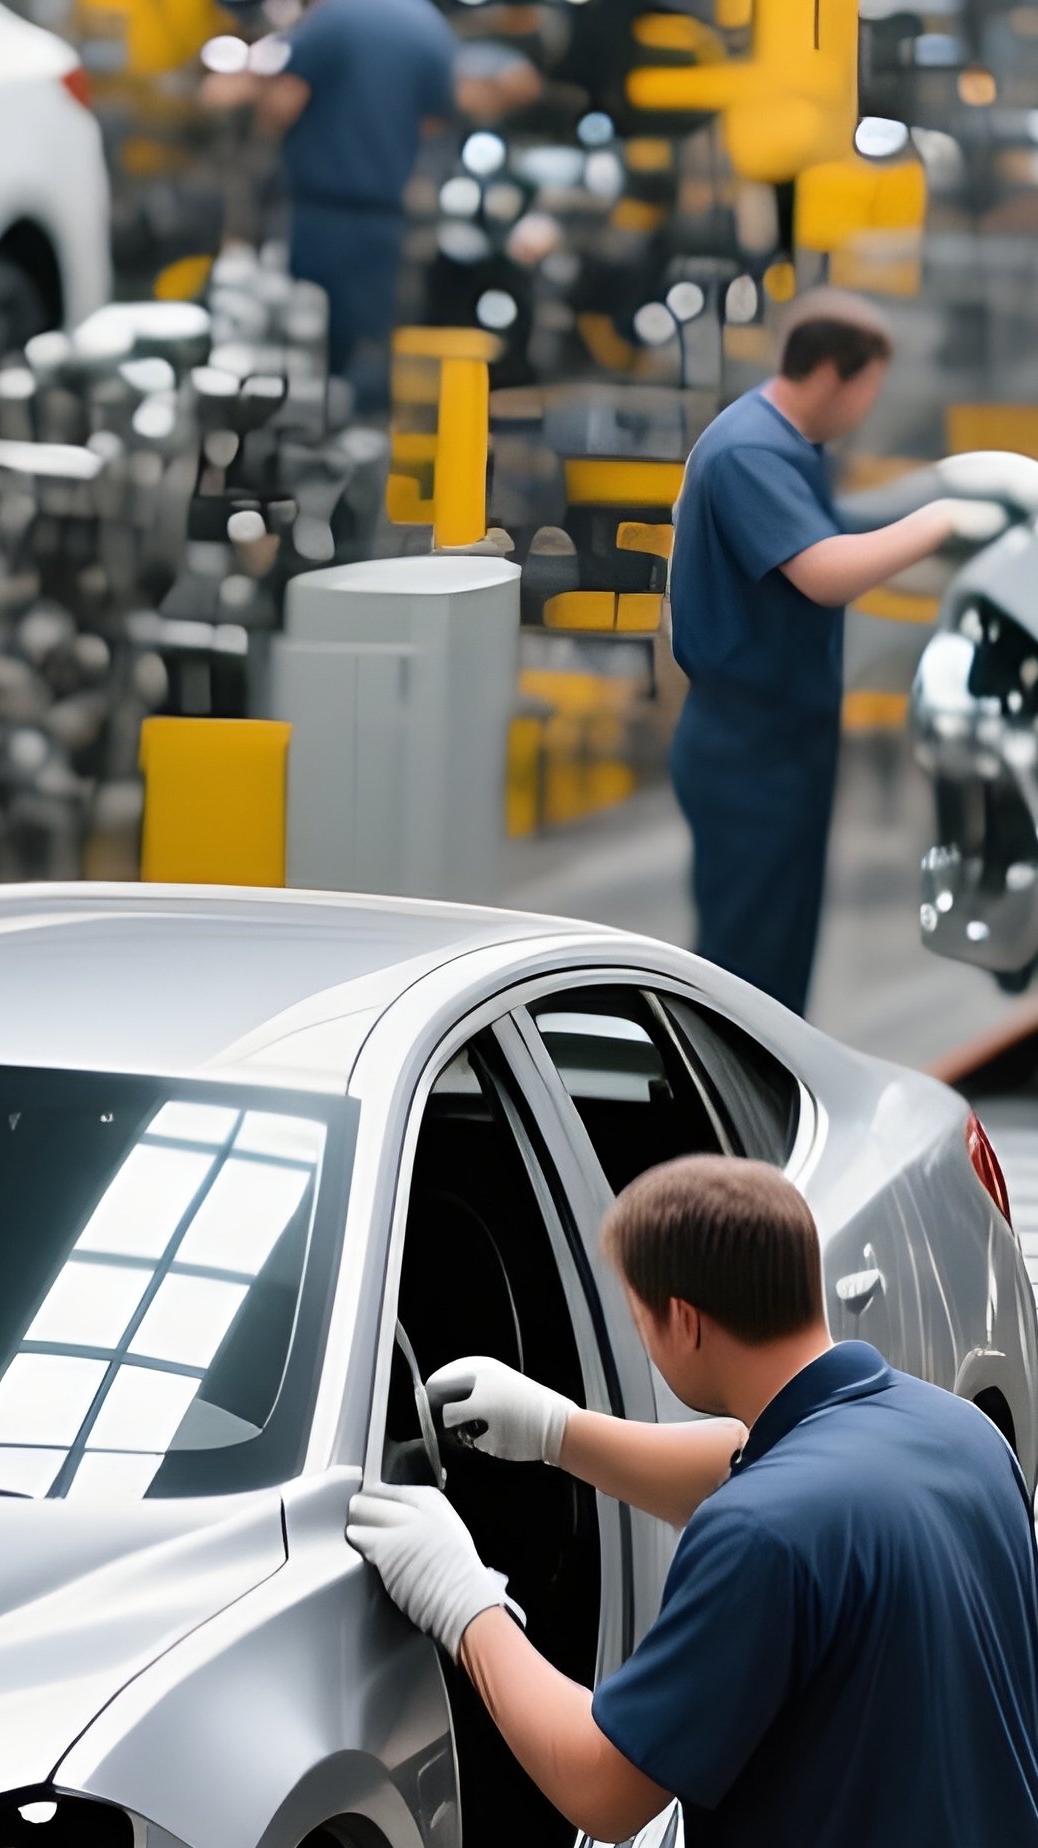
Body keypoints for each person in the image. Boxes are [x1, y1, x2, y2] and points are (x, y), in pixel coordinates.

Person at [348, 1155, 1038, 1846]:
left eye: (640, 1319)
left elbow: (601, 1789)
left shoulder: (758, 1534)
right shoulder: (967, 1436)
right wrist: (556, 1431)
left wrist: (465, 1604)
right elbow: (756, 1464)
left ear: (683, 1320)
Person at [666, 289, 1022, 1015]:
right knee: (746, 968)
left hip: (785, 741)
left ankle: (775, 1083)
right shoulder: (748, 452)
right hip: (746, 748)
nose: (867, 407)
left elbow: (832, 524)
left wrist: (952, 489)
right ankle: (736, 1091)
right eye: (869, 389)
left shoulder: (789, 441)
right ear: (833, 373)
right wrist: (939, 519)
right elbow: (826, 570)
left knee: (783, 958)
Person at [201, 0, 465, 407]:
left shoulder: (334, 19)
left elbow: (286, 100)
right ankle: (365, 430)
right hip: (386, 218)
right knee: (369, 345)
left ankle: (307, 432)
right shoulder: (432, 29)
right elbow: (433, 123)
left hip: (319, 211)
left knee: (301, 340)